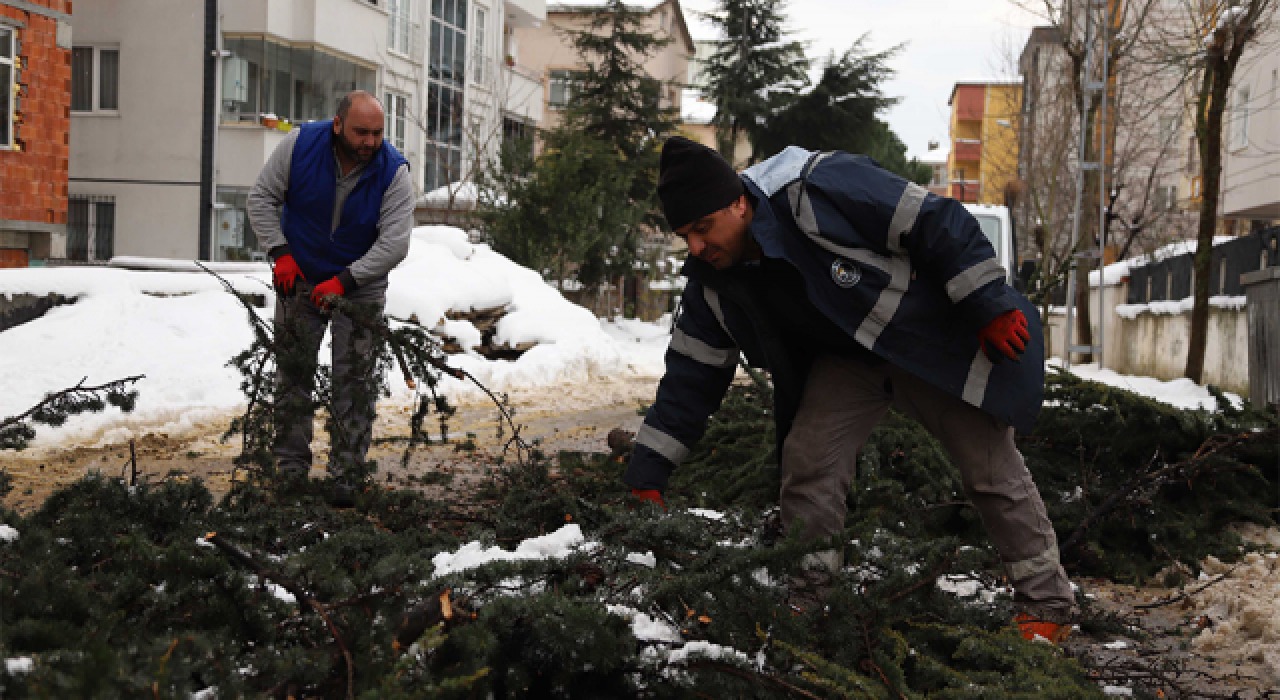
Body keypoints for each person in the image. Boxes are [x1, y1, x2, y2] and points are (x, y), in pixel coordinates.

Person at [624, 136, 1073, 641]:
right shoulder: (712, 284)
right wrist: (649, 474)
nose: (696, 248)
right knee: (808, 462)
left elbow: (935, 219)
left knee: (989, 468)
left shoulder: (818, 188)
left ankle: (1046, 604)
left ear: (739, 203)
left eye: (703, 228)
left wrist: (987, 303)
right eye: (685, 236)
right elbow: (690, 376)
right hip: (847, 362)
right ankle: (809, 598)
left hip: (924, 340)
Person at [247, 91, 415, 506]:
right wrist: (281, 253)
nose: (370, 142)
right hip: (300, 278)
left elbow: (394, 244)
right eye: (361, 132)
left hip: (360, 286)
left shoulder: (394, 172)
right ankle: (290, 470)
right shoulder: (300, 145)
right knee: (293, 375)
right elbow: (261, 199)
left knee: (353, 380)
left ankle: (347, 474)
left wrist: (344, 281)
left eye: (377, 133)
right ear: (338, 124)